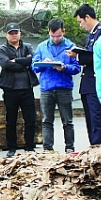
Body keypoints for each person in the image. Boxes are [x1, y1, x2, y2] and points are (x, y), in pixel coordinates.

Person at [31, 19, 81, 153]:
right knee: (47, 121)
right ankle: (48, 149)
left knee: (67, 121)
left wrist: (64, 68)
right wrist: (42, 62)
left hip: (64, 87)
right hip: (46, 88)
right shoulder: (42, 47)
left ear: (63, 32)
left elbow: (77, 68)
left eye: (58, 36)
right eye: (52, 36)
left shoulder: (71, 47)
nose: (56, 39)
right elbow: (34, 67)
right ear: (49, 33)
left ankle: (70, 148)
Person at [0, 22, 39, 157]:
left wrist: (16, 61)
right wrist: (23, 63)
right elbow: (5, 64)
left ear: (20, 33)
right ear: (6, 35)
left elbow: (33, 60)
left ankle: (29, 147)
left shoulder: (28, 47)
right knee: (11, 120)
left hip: (27, 88)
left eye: (16, 32)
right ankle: (11, 148)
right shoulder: (1, 49)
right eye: (11, 33)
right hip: (10, 89)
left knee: (30, 119)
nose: (14, 35)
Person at [69, 4, 101, 145]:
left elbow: (96, 57)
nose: (80, 25)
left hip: (95, 82)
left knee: (96, 119)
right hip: (88, 83)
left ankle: (98, 147)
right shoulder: (92, 35)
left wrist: (77, 56)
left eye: (80, 21)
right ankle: (94, 146)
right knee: (90, 119)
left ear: (87, 17)